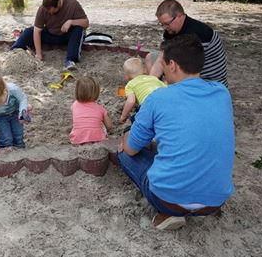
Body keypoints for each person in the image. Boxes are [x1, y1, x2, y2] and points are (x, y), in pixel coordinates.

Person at [118, 34, 235, 230]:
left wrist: (124, 138)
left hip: (169, 199)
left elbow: (130, 149)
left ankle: (168, 213)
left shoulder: (158, 98)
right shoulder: (222, 92)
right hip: (215, 201)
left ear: (172, 65)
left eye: (161, 62)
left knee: (123, 151)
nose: (160, 68)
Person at [147, 0, 228, 86]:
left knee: (170, 70)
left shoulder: (199, 34)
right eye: (162, 24)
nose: (165, 28)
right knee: (151, 58)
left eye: (167, 23)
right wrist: (150, 82)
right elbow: (161, 58)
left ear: (179, 16)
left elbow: (187, 71)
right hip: (188, 72)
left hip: (209, 83)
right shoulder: (171, 31)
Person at [11, 0, 89, 70]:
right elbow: (37, 31)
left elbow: (86, 23)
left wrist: (71, 22)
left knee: (79, 29)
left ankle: (70, 60)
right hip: (51, 35)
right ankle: (15, 52)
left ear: (58, 4)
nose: (50, 14)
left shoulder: (72, 4)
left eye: (53, 12)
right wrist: (38, 54)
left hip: (67, 36)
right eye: (48, 12)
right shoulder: (42, 9)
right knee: (29, 31)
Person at [119, 57, 166, 124]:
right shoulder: (153, 78)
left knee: (133, 121)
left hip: (148, 106)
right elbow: (167, 88)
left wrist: (123, 116)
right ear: (144, 70)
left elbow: (131, 101)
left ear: (126, 76)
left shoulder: (130, 85)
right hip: (164, 103)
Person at [69, 76, 113, 145]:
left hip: (77, 139)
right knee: (102, 128)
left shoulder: (74, 105)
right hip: (98, 139)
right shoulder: (101, 109)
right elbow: (109, 126)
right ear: (96, 93)